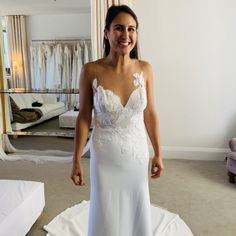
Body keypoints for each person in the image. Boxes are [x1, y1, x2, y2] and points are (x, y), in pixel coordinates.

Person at [69, 5, 192, 236]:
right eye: (119, 28)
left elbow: (150, 113)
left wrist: (158, 152)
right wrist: (75, 158)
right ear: (106, 33)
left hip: (136, 154)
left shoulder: (145, 69)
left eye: (131, 29)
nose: (126, 35)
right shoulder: (91, 70)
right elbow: (84, 116)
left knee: (136, 204)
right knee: (105, 208)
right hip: (104, 156)